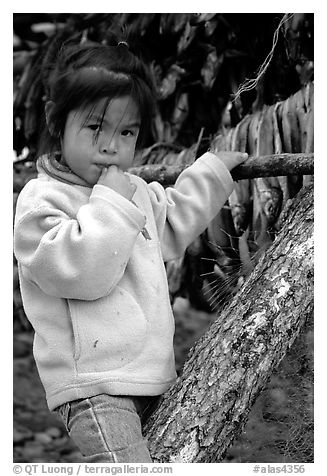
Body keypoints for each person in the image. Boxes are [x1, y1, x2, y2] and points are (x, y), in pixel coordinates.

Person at [13, 38, 247, 463]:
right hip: (95, 388)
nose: (110, 146)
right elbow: (84, 272)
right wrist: (112, 202)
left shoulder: (131, 190)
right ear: (56, 121)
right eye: (95, 128)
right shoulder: (42, 200)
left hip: (152, 377)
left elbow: (171, 223)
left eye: (126, 132)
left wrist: (211, 173)